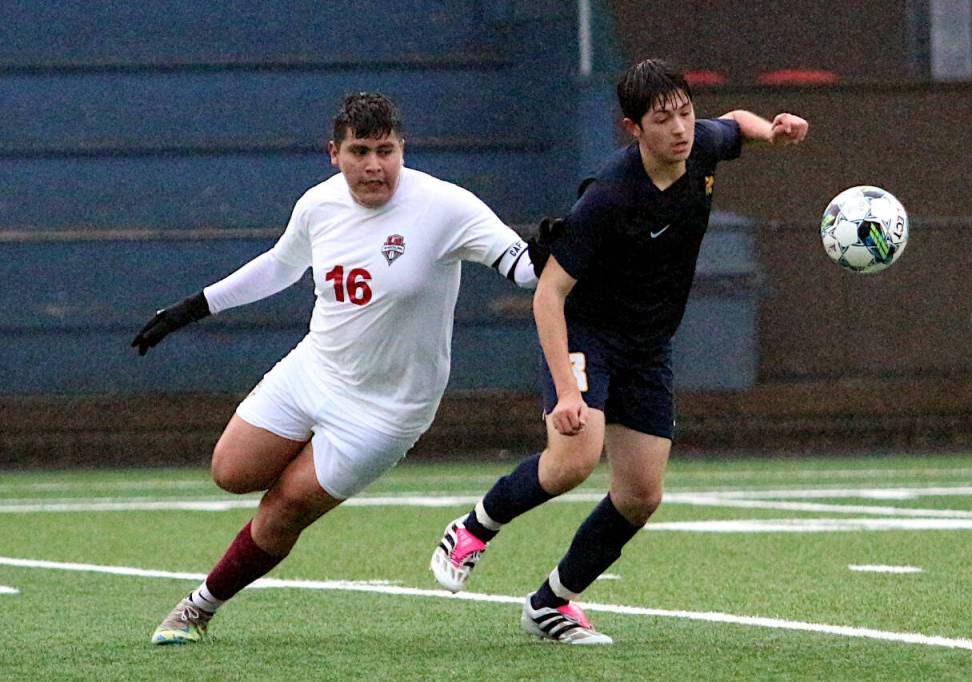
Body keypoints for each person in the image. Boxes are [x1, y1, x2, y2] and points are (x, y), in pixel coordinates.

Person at [134, 92, 553, 645]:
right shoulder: (319, 204)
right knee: (230, 472)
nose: (375, 165)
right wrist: (193, 308)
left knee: (284, 508)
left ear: (404, 148)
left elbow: (522, 268)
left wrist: (552, 251)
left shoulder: (447, 206)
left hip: (388, 408)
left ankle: (199, 607)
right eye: (360, 151)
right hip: (315, 370)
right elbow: (280, 266)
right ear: (335, 153)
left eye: (386, 151)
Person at [430, 58, 809, 644]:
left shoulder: (700, 145)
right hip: (586, 335)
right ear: (634, 128)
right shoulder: (608, 197)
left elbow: (733, 120)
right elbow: (549, 295)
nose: (681, 128)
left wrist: (771, 131)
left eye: (685, 112)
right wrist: (564, 391)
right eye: (664, 120)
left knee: (640, 494)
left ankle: (551, 604)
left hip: (649, 345)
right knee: (571, 462)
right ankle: (474, 528)